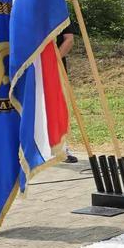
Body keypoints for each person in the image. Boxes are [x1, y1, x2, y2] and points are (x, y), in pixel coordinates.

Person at [57, 23, 78, 163]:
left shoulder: (57, 11)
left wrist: (53, 60)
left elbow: (69, 39)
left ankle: (61, 149)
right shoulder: (24, 9)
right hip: (30, 68)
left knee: (58, 108)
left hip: (55, 68)